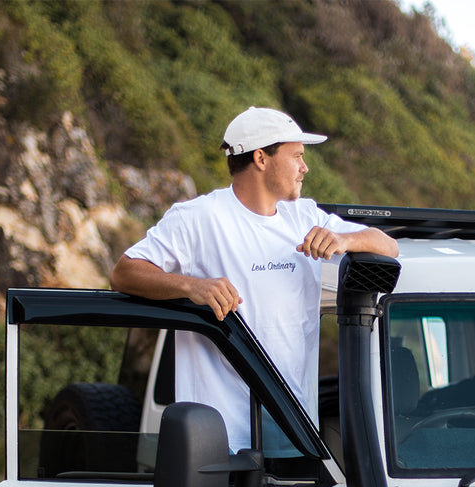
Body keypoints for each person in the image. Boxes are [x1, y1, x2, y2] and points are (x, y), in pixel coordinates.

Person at [110, 106, 398, 451]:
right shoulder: (198, 218)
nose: (304, 167)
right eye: (297, 156)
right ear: (261, 158)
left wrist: (345, 240)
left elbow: (388, 245)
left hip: (295, 433)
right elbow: (124, 272)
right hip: (218, 442)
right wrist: (191, 286)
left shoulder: (304, 215)